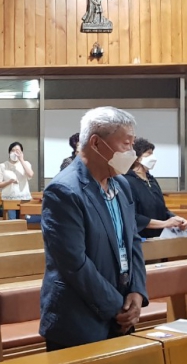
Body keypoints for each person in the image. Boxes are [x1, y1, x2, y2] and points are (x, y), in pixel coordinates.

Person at [40, 107, 148, 351]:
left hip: (121, 310)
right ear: (97, 143)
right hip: (79, 319)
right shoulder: (64, 191)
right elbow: (74, 263)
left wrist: (136, 291)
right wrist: (116, 307)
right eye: (126, 144)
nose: (131, 152)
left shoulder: (121, 184)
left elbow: (132, 240)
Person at [125, 138, 187, 239]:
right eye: (148, 154)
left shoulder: (151, 180)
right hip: (140, 238)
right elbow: (132, 216)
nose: (153, 158)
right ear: (137, 158)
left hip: (159, 237)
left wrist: (175, 218)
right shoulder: (127, 181)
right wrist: (164, 224)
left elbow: (162, 209)